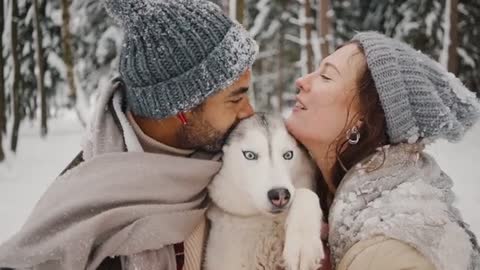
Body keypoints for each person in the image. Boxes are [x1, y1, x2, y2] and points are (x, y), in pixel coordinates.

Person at [0, 0, 257, 269]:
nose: (249, 112)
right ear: (183, 107)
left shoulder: (239, 160)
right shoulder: (87, 210)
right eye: (235, 99)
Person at [286, 31, 480, 270]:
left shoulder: (392, 250)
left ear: (363, 119)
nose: (302, 80)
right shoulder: (319, 201)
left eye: (326, 76)